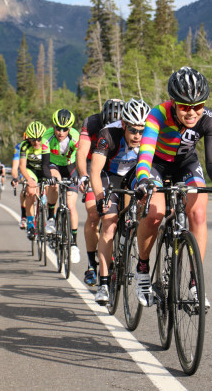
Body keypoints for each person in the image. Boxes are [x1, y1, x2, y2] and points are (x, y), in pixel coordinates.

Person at [135, 66, 212, 309]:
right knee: (154, 214)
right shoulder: (157, 115)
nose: (192, 112)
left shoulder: (209, 120)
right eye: (184, 106)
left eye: (198, 106)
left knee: (199, 213)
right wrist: (142, 179)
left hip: (186, 165)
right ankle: (143, 268)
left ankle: (194, 282)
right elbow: (145, 154)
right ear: (173, 103)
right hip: (157, 166)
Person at [90, 98, 151, 304]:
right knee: (109, 222)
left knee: (145, 210)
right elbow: (95, 171)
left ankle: (129, 237)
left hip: (135, 174)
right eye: (133, 130)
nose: (138, 136)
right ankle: (104, 283)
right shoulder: (108, 135)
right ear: (123, 124)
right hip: (111, 175)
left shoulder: (150, 136)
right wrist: (100, 199)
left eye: (142, 131)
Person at [76, 99, 125, 286]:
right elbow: (81, 152)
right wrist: (83, 175)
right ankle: (91, 265)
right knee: (93, 212)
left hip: (119, 166)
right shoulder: (92, 122)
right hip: (94, 165)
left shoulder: (128, 127)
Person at [42, 109, 81, 264]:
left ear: (70, 128)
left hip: (71, 166)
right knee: (54, 184)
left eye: (65, 129)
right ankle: (51, 218)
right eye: (58, 128)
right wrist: (50, 178)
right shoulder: (47, 136)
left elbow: (81, 159)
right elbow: (44, 164)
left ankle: (74, 244)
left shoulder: (76, 137)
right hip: (54, 165)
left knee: (71, 206)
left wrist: (80, 177)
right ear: (53, 126)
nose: (61, 132)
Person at [18, 121, 46, 239]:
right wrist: (29, 180)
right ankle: (30, 224)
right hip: (31, 171)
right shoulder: (24, 146)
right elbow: (22, 166)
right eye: (33, 139)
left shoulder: (47, 144)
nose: (36, 142)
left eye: (39, 139)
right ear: (28, 138)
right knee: (30, 192)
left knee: (50, 190)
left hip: (44, 170)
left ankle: (49, 220)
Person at [11, 133, 27, 229]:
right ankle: (24, 216)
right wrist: (15, 177)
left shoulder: (41, 145)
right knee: (25, 186)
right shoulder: (19, 147)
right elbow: (15, 167)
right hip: (24, 168)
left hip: (37, 168)